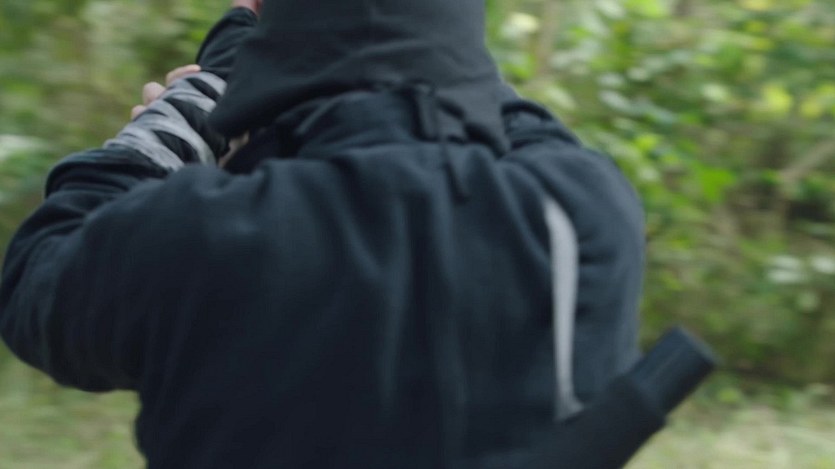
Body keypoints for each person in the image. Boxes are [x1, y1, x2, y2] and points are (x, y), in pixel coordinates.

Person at [0, 0, 645, 467]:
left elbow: (37, 272)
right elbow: (498, 113)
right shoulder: (577, 215)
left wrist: (192, 114)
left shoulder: (200, 232)